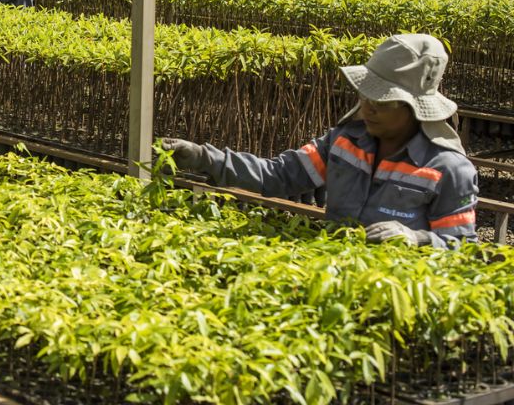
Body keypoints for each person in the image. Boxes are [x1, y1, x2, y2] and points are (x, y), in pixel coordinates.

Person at [164, 34, 478, 249]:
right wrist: (203, 157)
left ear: (414, 107)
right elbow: (279, 175)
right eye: (365, 96)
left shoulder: (448, 169)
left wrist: (418, 239)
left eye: (382, 101)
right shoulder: (345, 142)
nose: (367, 108)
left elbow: (462, 246)